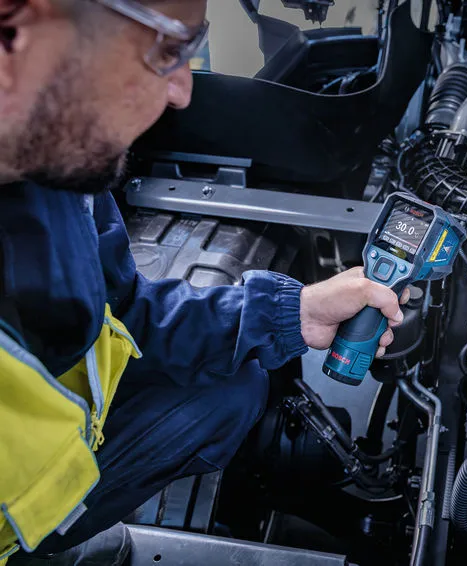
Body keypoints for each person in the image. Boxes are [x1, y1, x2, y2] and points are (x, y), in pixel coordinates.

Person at [0, 1, 408, 564]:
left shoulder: (55, 162)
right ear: (12, 27)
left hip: (41, 468)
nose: (182, 92)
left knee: (229, 390)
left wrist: (294, 313)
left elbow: (128, 313)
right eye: (165, 50)